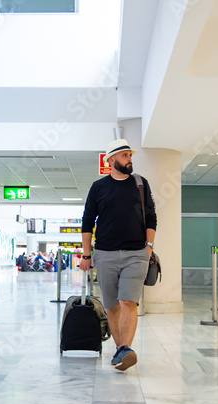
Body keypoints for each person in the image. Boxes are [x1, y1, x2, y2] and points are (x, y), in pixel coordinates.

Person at [80, 138, 157, 371]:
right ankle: (121, 350)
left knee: (128, 302)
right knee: (112, 305)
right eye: (125, 156)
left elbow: (151, 216)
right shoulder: (98, 187)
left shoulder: (140, 184)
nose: (129, 159)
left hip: (137, 253)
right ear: (110, 159)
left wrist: (149, 246)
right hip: (104, 253)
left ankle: (124, 348)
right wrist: (86, 255)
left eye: (130, 156)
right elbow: (87, 221)